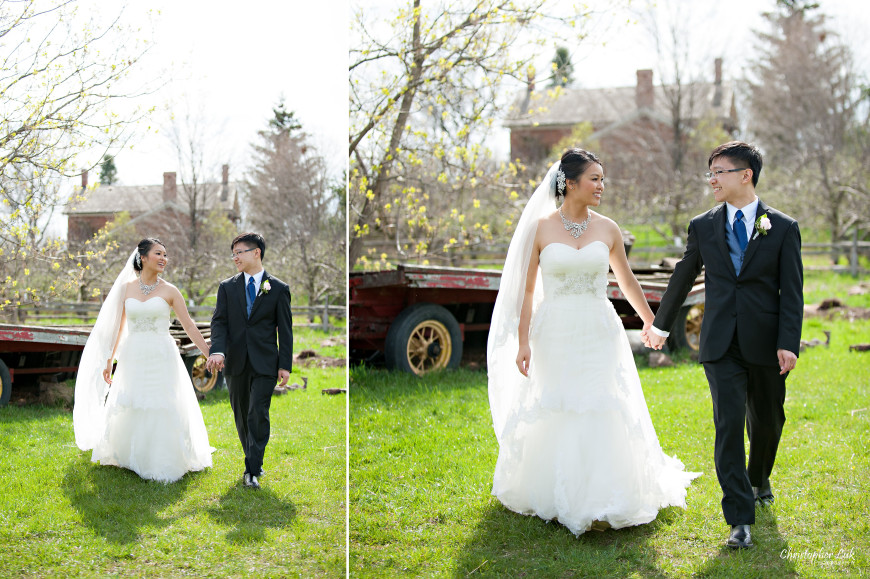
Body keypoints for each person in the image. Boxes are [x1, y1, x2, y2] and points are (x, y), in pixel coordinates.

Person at [487, 148, 700, 536]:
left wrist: (654, 325)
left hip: (599, 330)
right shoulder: (541, 228)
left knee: (600, 402)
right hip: (553, 331)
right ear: (570, 183)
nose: (602, 186)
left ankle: (604, 492)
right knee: (558, 403)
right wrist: (523, 342)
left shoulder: (608, 229)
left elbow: (627, 282)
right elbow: (528, 291)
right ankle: (555, 491)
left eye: (603, 179)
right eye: (595, 179)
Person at [643, 141, 803, 549]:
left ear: (745, 175)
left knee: (768, 421)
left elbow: (793, 292)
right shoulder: (702, 225)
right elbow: (682, 277)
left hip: (767, 344)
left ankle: (758, 478)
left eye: (719, 172)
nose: (711, 179)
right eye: (709, 172)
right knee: (728, 425)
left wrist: (789, 343)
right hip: (718, 343)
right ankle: (739, 517)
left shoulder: (782, 227)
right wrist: (660, 326)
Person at [73, 238, 215, 483]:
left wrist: (207, 352)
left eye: (166, 255)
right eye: (158, 253)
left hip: (161, 354)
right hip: (133, 354)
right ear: (143, 257)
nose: (164, 259)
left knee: (161, 402)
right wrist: (110, 359)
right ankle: (130, 455)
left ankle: (162, 458)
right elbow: (120, 327)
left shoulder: (171, 291)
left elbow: (189, 325)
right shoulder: (126, 288)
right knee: (133, 402)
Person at [207, 232, 292, 490]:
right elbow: (219, 322)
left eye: (240, 252)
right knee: (242, 415)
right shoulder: (227, 287)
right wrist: (218, 350)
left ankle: (252, 470)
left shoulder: (278, 289)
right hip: (235, 362)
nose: (235, 258)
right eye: (233, 254)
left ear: (256, 252)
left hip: (265, 362)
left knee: (258, 412)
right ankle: (254, 458)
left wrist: (285, 364)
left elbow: (285, 330)